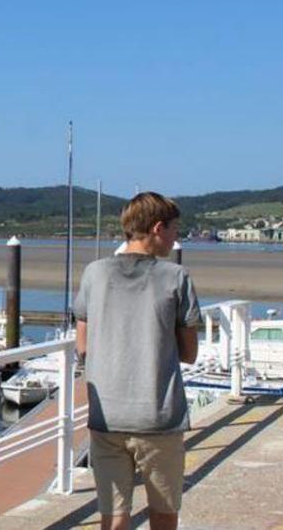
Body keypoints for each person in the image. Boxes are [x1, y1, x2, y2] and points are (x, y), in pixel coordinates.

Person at [74, 192, 200, 530]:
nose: (176, 237)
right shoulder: (176, 277)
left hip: (107, 417)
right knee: (163, 512)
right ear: (158, 228)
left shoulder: (95, 273)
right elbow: (189, 353)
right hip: (158, 417)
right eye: (175, 229)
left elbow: (83, 345)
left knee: (113, 517)